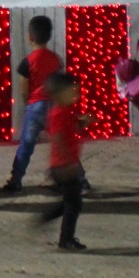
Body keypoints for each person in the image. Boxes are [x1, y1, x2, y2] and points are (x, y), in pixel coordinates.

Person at [2, 15, 62, 192]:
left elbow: (23, 90)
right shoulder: (56, 60)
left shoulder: (27, 62)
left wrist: (28, 103)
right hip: (53, 106)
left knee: (26, 146)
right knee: (61, 143)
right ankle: (80, 180)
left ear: (30, 37)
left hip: (35, 107)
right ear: (49, 36)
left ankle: (16, 179)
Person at [36, 72, 92, 251]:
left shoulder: (65, 112)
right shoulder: (58, 113)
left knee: (71, 201)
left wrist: (82, 123)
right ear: (59, 94)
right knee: (74, 203)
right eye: (72, 91)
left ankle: (51, 220)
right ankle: (65, 239)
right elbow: (59, 138)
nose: (76, 94)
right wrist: (70, 162)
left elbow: (70, 128)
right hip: (63, 166)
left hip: (64, 165)